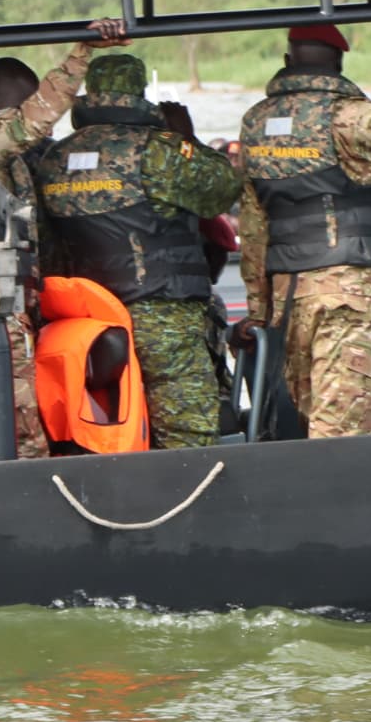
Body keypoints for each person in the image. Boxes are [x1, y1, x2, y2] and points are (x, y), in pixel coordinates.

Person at [236, 1, 371, 438]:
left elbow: (253, 224)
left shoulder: (255, 123)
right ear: (338, 62)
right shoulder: (349, 117)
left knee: (315, 419)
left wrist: (259, 311)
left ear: (288, 62)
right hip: (348, 295)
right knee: (346, 432)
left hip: (290, 298)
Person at [0, 28, 127, 458]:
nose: (28, 131)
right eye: (20, 108)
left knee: (17, 436)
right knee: (18, 444)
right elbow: (38, 118)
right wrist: (82, 52)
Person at [35, 51, 245, 449]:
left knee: (105, 431)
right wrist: (187, 137)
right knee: (188, 438)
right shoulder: (156, 150)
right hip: (161, 314)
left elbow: (46, 242)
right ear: (138, 92)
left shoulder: (53, 158)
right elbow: (221, 191)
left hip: (88, 322)